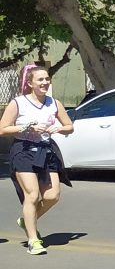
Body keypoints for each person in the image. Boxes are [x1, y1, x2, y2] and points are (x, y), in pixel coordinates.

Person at [0, 63, 74, 255]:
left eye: (47, 79)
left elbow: (69, 126)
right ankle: (33, 240)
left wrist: (58, 128)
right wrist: (27, 127)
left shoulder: (54, 103)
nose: (45, 82)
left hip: (46, 151)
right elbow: (3, 129)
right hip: (23, 150)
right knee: (32, 195)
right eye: (40, 79)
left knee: (52, 196)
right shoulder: (18, 103)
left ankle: (27, 220)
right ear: (30, 83)